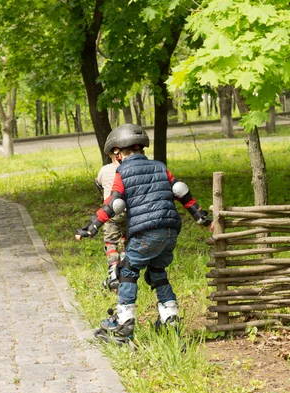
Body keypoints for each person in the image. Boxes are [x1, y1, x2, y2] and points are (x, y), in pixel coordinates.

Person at [75, 124, 213, 345]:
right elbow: (180, 191)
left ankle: (123, 325)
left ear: (118, 152)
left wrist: (91, 227)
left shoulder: (123, 172)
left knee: (126, 271)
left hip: (145, 234)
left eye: (114, 154)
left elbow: (116, 203)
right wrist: (200, 217)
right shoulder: (160, 167)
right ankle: (170, 319)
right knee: (157, 271)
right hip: (170, 233)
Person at [95, 149, 127, 292]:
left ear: (110, 155)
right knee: (127, 239)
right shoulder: (127, 169)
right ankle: (127, 271)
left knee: (111, 242)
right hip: (127, 210)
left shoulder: (104, 169)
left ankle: (113, 275)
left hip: (110, 212)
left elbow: (98, 183)